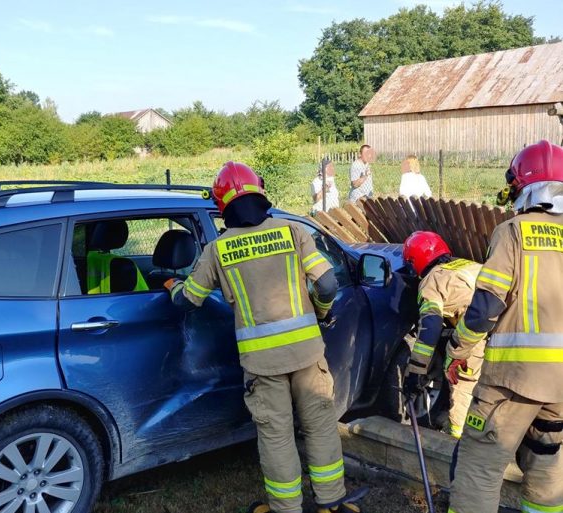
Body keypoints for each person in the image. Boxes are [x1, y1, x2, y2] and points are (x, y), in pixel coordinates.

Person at [167, 162, 367, 513]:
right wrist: (321, 313)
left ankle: (286, 508)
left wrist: (171, 285)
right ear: (260, 192)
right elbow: (327, 284)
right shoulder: (292, 231)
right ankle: (331, 503)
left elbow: (189, 300)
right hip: (307, 354)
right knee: (320, 426)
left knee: (276, 435)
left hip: (263, 364)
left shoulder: (218, 249)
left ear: (221, 205)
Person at [447, 140, 563, 513]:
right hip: (560, 387)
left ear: (522, 186)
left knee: (479, 466)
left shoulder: (513, 231)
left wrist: (458, 349)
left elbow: (486, 308)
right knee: (547, 468)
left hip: (513, 379)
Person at [401, 231, 483, 439]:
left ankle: (455, 440)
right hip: (514, 326)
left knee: (462, 383)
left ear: (414, 262)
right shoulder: (468, 265)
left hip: (479, 329)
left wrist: (416, 371)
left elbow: (431, 326)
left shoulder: (431, 282)